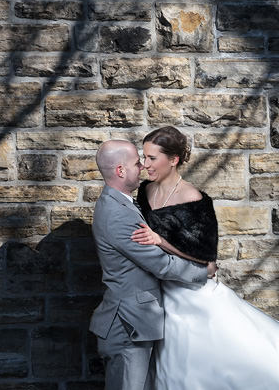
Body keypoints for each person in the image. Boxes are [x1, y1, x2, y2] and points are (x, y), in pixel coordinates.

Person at [131, 126, 279, 390]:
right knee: (175, 364)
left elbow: (207, 260)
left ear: (174, 159)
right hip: (161, 290)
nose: (145, 164)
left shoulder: (193, 198)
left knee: (232, 354)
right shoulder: (145, 191)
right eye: (144, 157)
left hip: (192, 294)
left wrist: (160, 240)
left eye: (152, 158)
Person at [90, 139, 215, 390]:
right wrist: (204, 271)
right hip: (127, 327)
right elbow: (161, 265)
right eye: (137, 163)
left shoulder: (121, 203)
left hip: (134, 324)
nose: (143, 167)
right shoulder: (117, 213)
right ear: (120, 171)